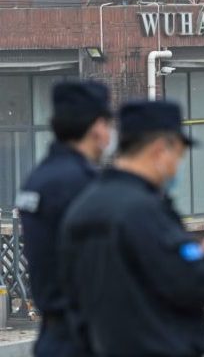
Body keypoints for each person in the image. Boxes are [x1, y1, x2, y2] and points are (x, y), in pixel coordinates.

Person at [59, 101, 204, 357]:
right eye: (178, 155)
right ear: (160, 149)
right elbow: (190, 283)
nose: (177, 165)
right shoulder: (144, 211)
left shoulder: (82, 206)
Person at [17, 80, 113, 357]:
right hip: (87, 338)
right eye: (108, 124)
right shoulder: (83, 183)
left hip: (53, 336)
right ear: (96, 127)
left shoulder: (39, 177)